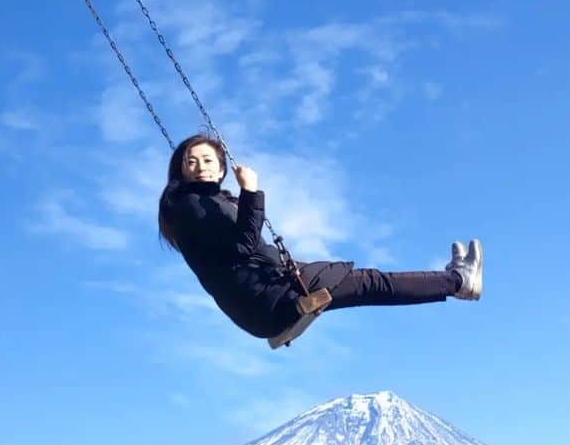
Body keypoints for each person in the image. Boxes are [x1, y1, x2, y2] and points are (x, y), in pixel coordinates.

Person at [157, 132, 482, 343]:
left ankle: (456, 282)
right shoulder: (192, 205)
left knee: (368, 284)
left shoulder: (199, 204)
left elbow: (237, 251)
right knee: (371, 283)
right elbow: (243, 245)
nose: (200, 166)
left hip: (259, 303)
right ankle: (458, 282)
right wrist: (251, 192)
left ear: (222, 169)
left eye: (208, 160)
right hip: (267, 298)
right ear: (181, 169)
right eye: (192, 161)